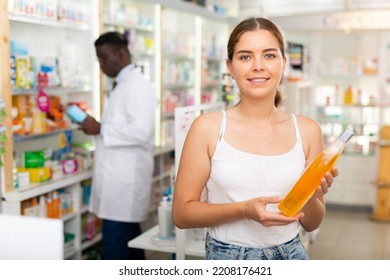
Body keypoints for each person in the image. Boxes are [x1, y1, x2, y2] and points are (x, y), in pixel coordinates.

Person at [172, 17, 339, 260]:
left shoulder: (307, 131)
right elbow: (181, 214)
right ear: (230, 66)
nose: (258, 66)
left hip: (291, 255)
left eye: (269, 55)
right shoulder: (207, 128)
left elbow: (312, 223)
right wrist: (243, 210)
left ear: (283, 63)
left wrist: (310, 196)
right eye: (245, 56)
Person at [79, 31, 156, 260]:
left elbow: (142, 131)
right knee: (131, 244)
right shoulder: (122, 84)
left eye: (104, 57)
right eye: (99, 59)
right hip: (117, 182)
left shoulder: (138, 86)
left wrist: (101, 128)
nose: (101, 64)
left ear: (121, 52)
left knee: (115, 248)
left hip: (124, 184)